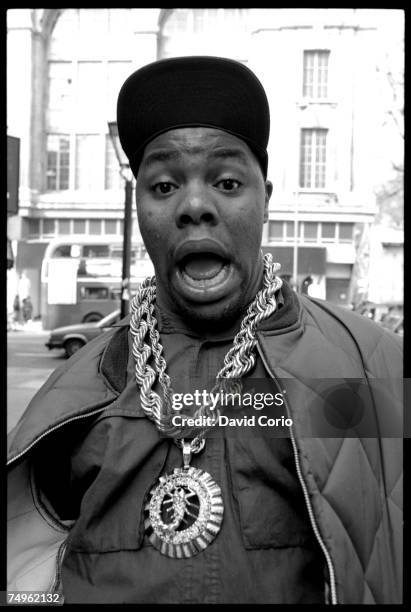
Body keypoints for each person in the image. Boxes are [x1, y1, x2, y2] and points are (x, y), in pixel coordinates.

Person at [7, 56, 402, 604]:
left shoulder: (369, 366)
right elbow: (25, 583)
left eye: (227, 181)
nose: (195, 205)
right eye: (164, 185)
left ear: (266, 194)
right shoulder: (73, 395)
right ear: (139, 205)